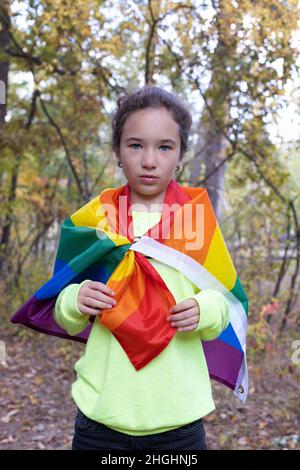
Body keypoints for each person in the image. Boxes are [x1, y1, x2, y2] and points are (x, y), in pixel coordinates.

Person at [53, 85, 232, 451]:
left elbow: (224, 305)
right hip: (101, 420)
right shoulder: (95, 220)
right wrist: (75, 298)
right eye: (135, 145)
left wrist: (205, 309)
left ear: (180, 154)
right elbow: (63, 312)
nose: (149, 160)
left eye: (164, 147)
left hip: (178, 422)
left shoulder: (196, 220)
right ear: (118, 151)